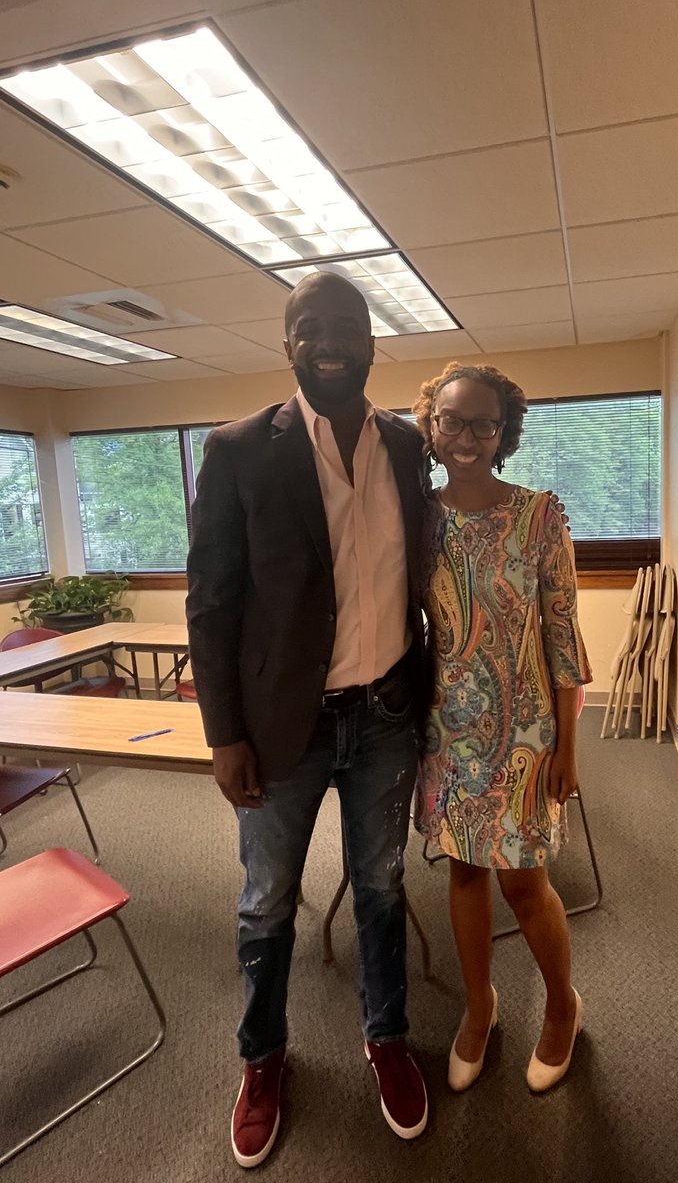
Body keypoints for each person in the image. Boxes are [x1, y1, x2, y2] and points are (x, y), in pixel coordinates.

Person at [185, 271, 430, 1168]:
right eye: (309, 327)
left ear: (372, 341)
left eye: (347, 326)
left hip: (388, 716)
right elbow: (211, 604)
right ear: (287, 343)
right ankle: (261, 1059)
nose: (329, 340)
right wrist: (223, 734)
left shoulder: (406, 446)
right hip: (283, 726)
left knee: (380, 890)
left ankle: (388, 1037)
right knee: (267, 903)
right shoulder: (240, 448)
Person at [413, 361, 592, 1094]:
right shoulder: (417, 517)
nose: (467, 436)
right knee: (462, 872)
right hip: (447, 735)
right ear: (431, 426)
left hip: (526, 737)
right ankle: (479, 1006)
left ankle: (560, 1006)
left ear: (504, 434)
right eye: (452, 420)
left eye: (484, 424)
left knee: (525, 883)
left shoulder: (539, 515)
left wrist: (568, 747)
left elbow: (562, 634)